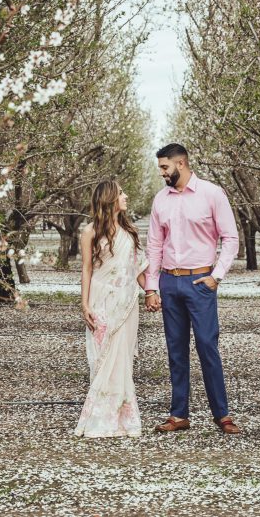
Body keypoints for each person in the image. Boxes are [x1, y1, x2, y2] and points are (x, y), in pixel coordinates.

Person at [144, 143, 241, 434]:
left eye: (165, 167)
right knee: (176, 350)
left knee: (207, 346)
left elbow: (230, 238)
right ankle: (178, 414)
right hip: (169, 281)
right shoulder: (160, 200)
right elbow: (154, 244)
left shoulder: (212, 194)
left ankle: (221, 414)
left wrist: (217, 276)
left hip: (200, 282)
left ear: (181, 164)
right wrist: (151, 287)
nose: (162, 172)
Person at [74, 179, 147, 438]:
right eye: (121, 193)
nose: (126, 196)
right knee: (101, 358)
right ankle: (100, 420)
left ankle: (123, 420)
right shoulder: (90, 232)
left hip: (126, 304)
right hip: (101, 301)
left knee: (122, 361)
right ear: (110, 199)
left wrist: (151, 292)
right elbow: (86, 269)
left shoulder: (129, 231)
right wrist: (84, 304)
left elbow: (138, 268)